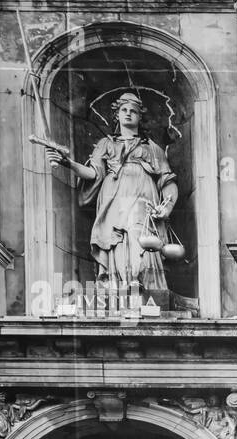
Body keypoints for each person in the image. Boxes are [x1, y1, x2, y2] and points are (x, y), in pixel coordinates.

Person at [46, 91, 178, 299]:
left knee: (139, 233)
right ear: (116, 115)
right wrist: (67, 163)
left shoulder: (153, 149)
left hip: (144, 199)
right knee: (116, 239)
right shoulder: (106, 144)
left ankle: (141, 281)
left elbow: (168, 183)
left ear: (139, 116)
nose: (128, 114)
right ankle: (119, 285)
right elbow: (93, 173)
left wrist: (167, 207)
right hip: (113, 198)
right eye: (124, 110)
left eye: (133, 111)